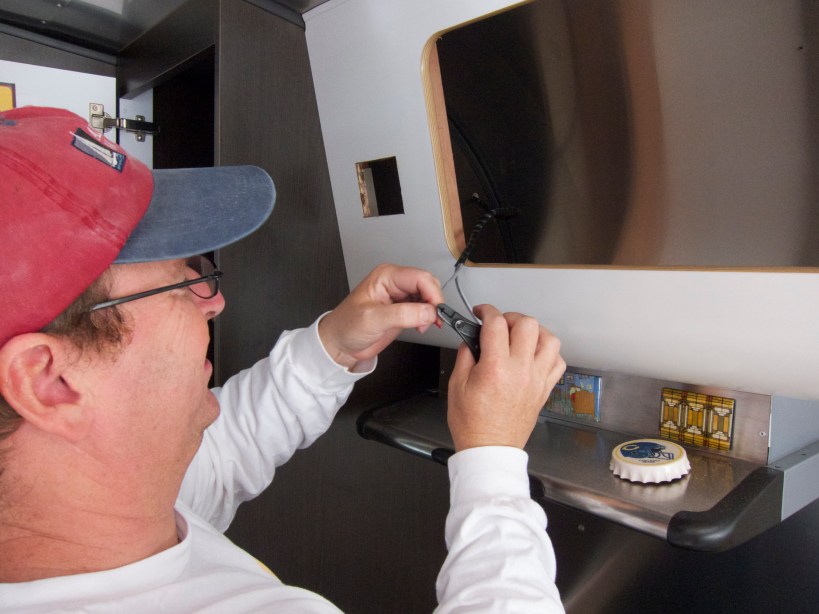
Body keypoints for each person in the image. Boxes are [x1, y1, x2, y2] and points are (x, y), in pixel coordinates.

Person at [0, 106, 566, 612]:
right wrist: (492, 463)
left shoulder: (100, 508)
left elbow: (224, 451)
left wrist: (336, 346)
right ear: (49, 380)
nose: (215, 301)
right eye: (182, 281)